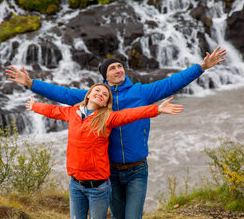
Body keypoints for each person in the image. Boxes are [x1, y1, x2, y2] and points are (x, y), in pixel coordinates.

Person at [6, 46, 226, 218]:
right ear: (105, 76)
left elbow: (172, 82)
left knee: (133, 217)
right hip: (109, 172)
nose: (118, 70)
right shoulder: (96, 97)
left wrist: (202, 67)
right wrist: (31, 83)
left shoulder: (142, 92)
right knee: (118, 216)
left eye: (120, 66)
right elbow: (62, 94)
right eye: (112, 68)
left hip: (137, 169)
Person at [25, 83, 184, 219]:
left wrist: (157, 109)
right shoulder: (72, 113)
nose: (100, 94)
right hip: (75, 185)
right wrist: (34, 106)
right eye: (97, 91)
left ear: (105, 103)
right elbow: (52, 110)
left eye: (105, 94)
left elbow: (130, 114)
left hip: (98, 188)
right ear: (88, 94)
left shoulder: (107, 118)